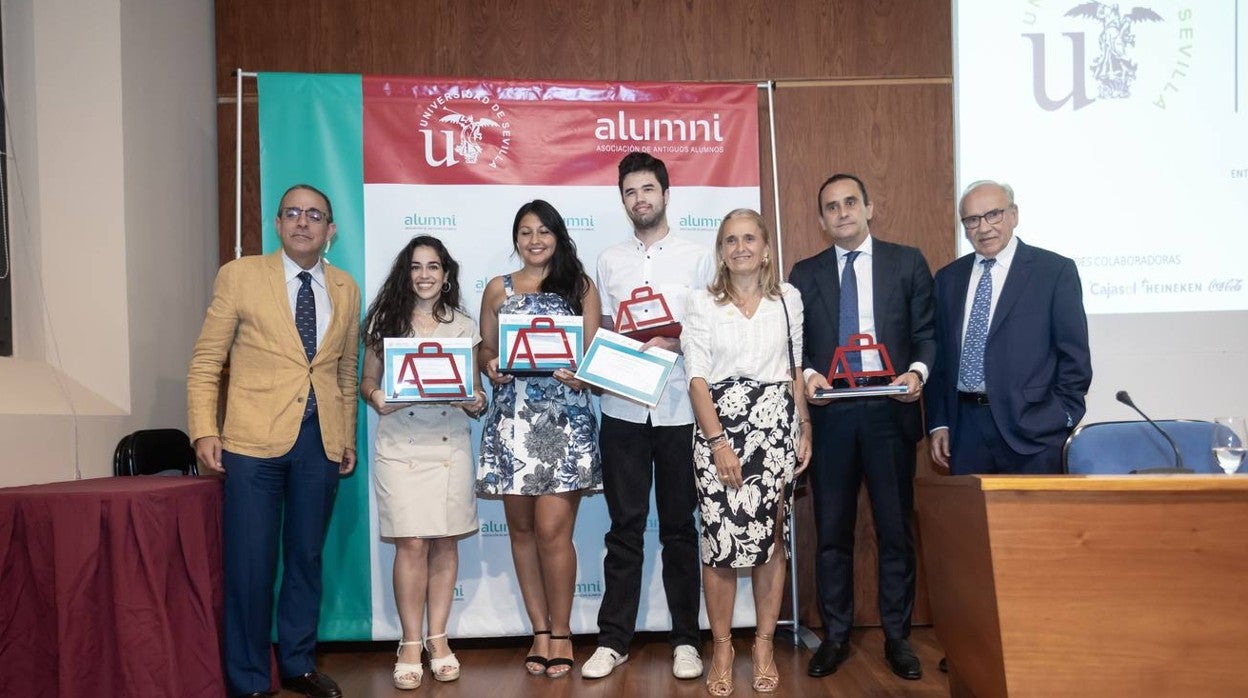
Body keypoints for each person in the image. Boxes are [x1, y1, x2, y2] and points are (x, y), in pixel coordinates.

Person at [187, 184, 360, 698]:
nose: (303, 222)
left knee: (306, 558)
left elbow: (346, 373)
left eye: (314, 215)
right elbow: (206, 361)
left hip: (319, 443)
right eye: (293, 213)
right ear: (278, 223)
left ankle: (298, 664)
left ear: (331, 230)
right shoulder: (240, 276)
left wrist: (344, 435)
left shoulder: (346, 288)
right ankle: (248, 678)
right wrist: (203, 429)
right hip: (250, 443)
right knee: (250, 563)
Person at [788, 174, 935, 682]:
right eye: (831, 207)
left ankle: (897, 636)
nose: (842, 212)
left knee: (895, 530)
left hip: (889, 408)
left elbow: (926, 334)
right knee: (831, 532)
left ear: (869, 207)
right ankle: (835, 636)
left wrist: (917, 374)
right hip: (832, 413)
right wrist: (809, 376)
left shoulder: (907, 261)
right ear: (821, 218)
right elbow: (797, 344)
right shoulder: (804, 274)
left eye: (851, 202)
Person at [581, 152, 712, 681]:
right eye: (631, 192)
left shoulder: (699, 257)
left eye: (648, 190)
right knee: (624, 528)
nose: (641, 199)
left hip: (681, 408)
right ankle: (613, 641)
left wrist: (674, 343)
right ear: (622, 200)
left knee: (680, 528)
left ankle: (686, 640)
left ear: (665, 193)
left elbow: (707, 330)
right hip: (623, 409)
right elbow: (606, 329)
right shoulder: (609, 260)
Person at [683, 209, 812, 696]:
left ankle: (762, 644)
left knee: (771, 539)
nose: (740, 247)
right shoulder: (701, 303)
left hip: (775, 426)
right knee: (719, 543)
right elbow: (696, 379)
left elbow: (794, 369)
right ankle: (721, 645)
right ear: (720, 251)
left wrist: (805, 427)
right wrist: (717, 443)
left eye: (749, 238)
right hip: (720, 426)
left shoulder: (788, 299)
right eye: (731, 240)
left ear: (765, 248)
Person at [476, 199, 603, 679]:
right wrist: (489, 363)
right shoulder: (497, 288)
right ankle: (539, 631)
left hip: (563, 420)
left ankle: (564, 631)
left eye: (543, 232)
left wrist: (582, 374)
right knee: (522, 530)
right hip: (512, 420)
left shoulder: (581, 286)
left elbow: (593, 355)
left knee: (553, 531)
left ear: (558, 236)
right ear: (516, 239)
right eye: (525, 232)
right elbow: (487, 348)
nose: (534, 241)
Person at [358, 235, 487, 690]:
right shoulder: (384, 320)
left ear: (447, 275)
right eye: (416, 267)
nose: (425, 275)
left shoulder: (465, 326)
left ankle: (439, 638)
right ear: (406, 273)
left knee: (445, 542)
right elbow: (367, 380)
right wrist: (378, 398)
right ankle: (409, 642)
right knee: (411, 542)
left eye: (434, 267)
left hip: (449, 443)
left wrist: (476, 400)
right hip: (401, 444)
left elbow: (474, 391)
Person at [926, 180, 1092, 475]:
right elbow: (939, 359)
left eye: (994, 215)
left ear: (1013, 215)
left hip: (1033, 432)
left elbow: (1075, 358)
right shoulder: (948, 279)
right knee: (971, 521)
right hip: (965, 432)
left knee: (1035, 522)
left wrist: (1059, 416)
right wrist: (940, 421)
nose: (984, 227)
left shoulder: (1054, 272)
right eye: (972, 220)